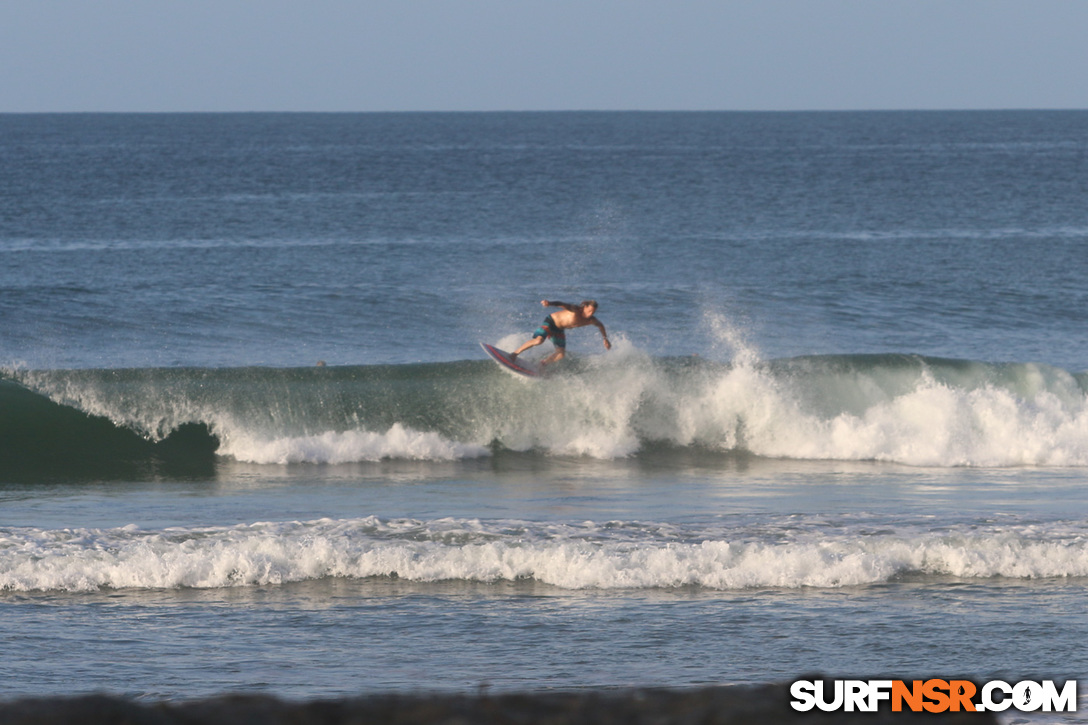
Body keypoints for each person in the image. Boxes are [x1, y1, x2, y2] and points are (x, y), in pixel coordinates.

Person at [511, 299, 611, 366]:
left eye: (593, 312)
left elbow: (600, 325)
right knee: (539, 341)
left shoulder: (591, 320)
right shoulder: (575, 310)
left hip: (559, 330)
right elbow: (561, 304)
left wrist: (605, 339)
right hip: (551, 322)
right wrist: (549, 303)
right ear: (584, 307)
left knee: (561, 354)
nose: (590, 314)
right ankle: (515, 354)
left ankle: (542, 364)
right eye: (589, 311)